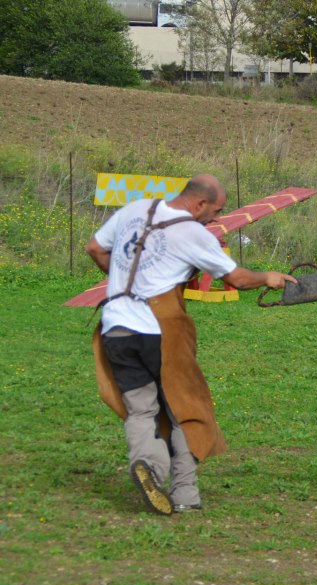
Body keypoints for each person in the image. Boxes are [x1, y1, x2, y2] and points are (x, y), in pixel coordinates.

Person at [85, 174, 297, 515]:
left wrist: (124, 282)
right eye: (216, 211)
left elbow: (95, 247)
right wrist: (268, 277)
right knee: (188, 409)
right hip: (159, 332)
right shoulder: (193, 232)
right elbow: (237, 278)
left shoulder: (136, 209)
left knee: (142, 409)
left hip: (116, 328)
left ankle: (148, 467)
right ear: (199, 204)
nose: (216, 219)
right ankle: (184, 492)